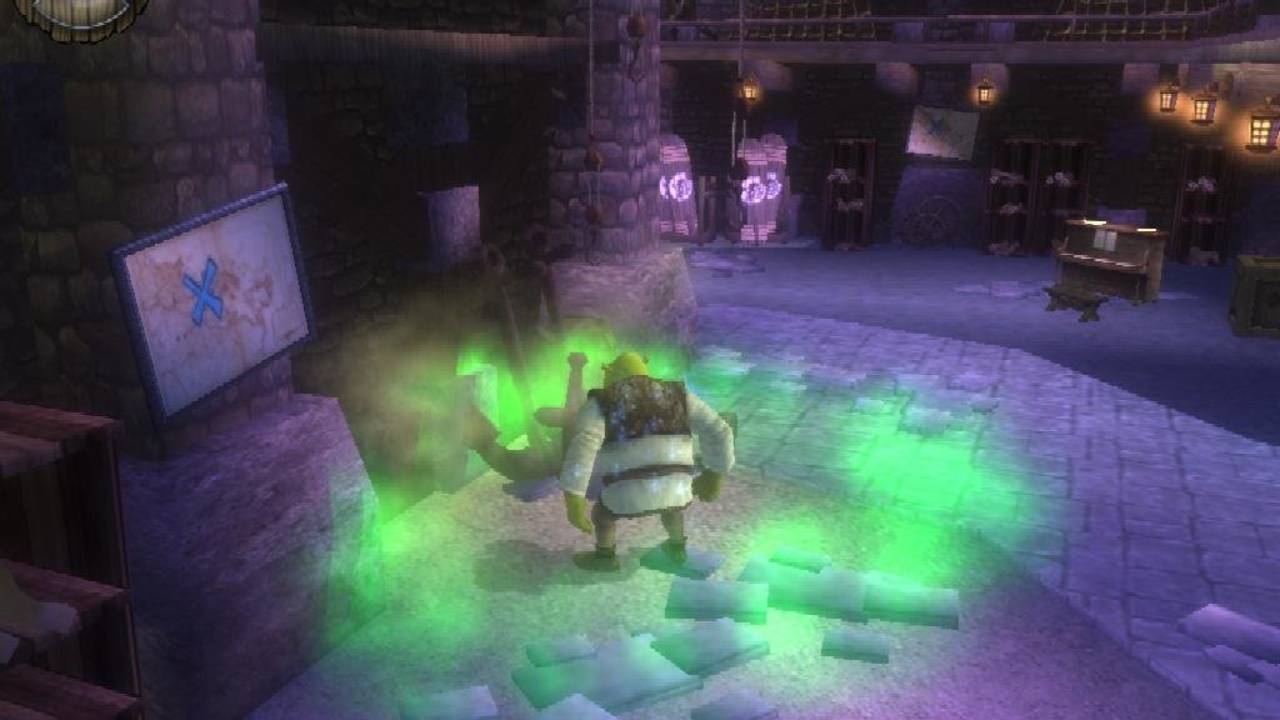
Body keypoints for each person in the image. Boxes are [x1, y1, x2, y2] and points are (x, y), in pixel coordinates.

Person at [558, 351, 735, 571]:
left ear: (610, 372)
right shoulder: (680, 395)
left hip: (623, 494)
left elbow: (583, 445)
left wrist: (574, 497)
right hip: (676, 488)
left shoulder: (600, 403)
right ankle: (677, 548)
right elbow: (720, 430)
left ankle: (605, 557)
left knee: (603, 516)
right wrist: (716, 473)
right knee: (672, 510)